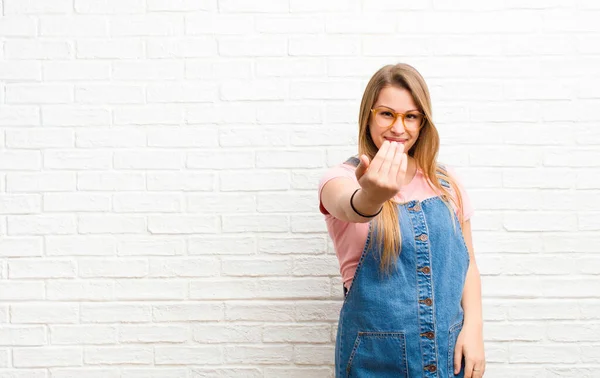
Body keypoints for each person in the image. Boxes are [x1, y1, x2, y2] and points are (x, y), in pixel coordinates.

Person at [318, 63, 486, 377]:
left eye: (411, 116)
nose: (399, 128)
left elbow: (468, 264)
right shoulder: (341, 179)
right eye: (386, 114)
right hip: (374, 362)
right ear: (367, 115)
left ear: (423, 123)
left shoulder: (446, 184)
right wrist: (372, 196)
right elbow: (350, 205)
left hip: (449, 357)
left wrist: (473, 329)